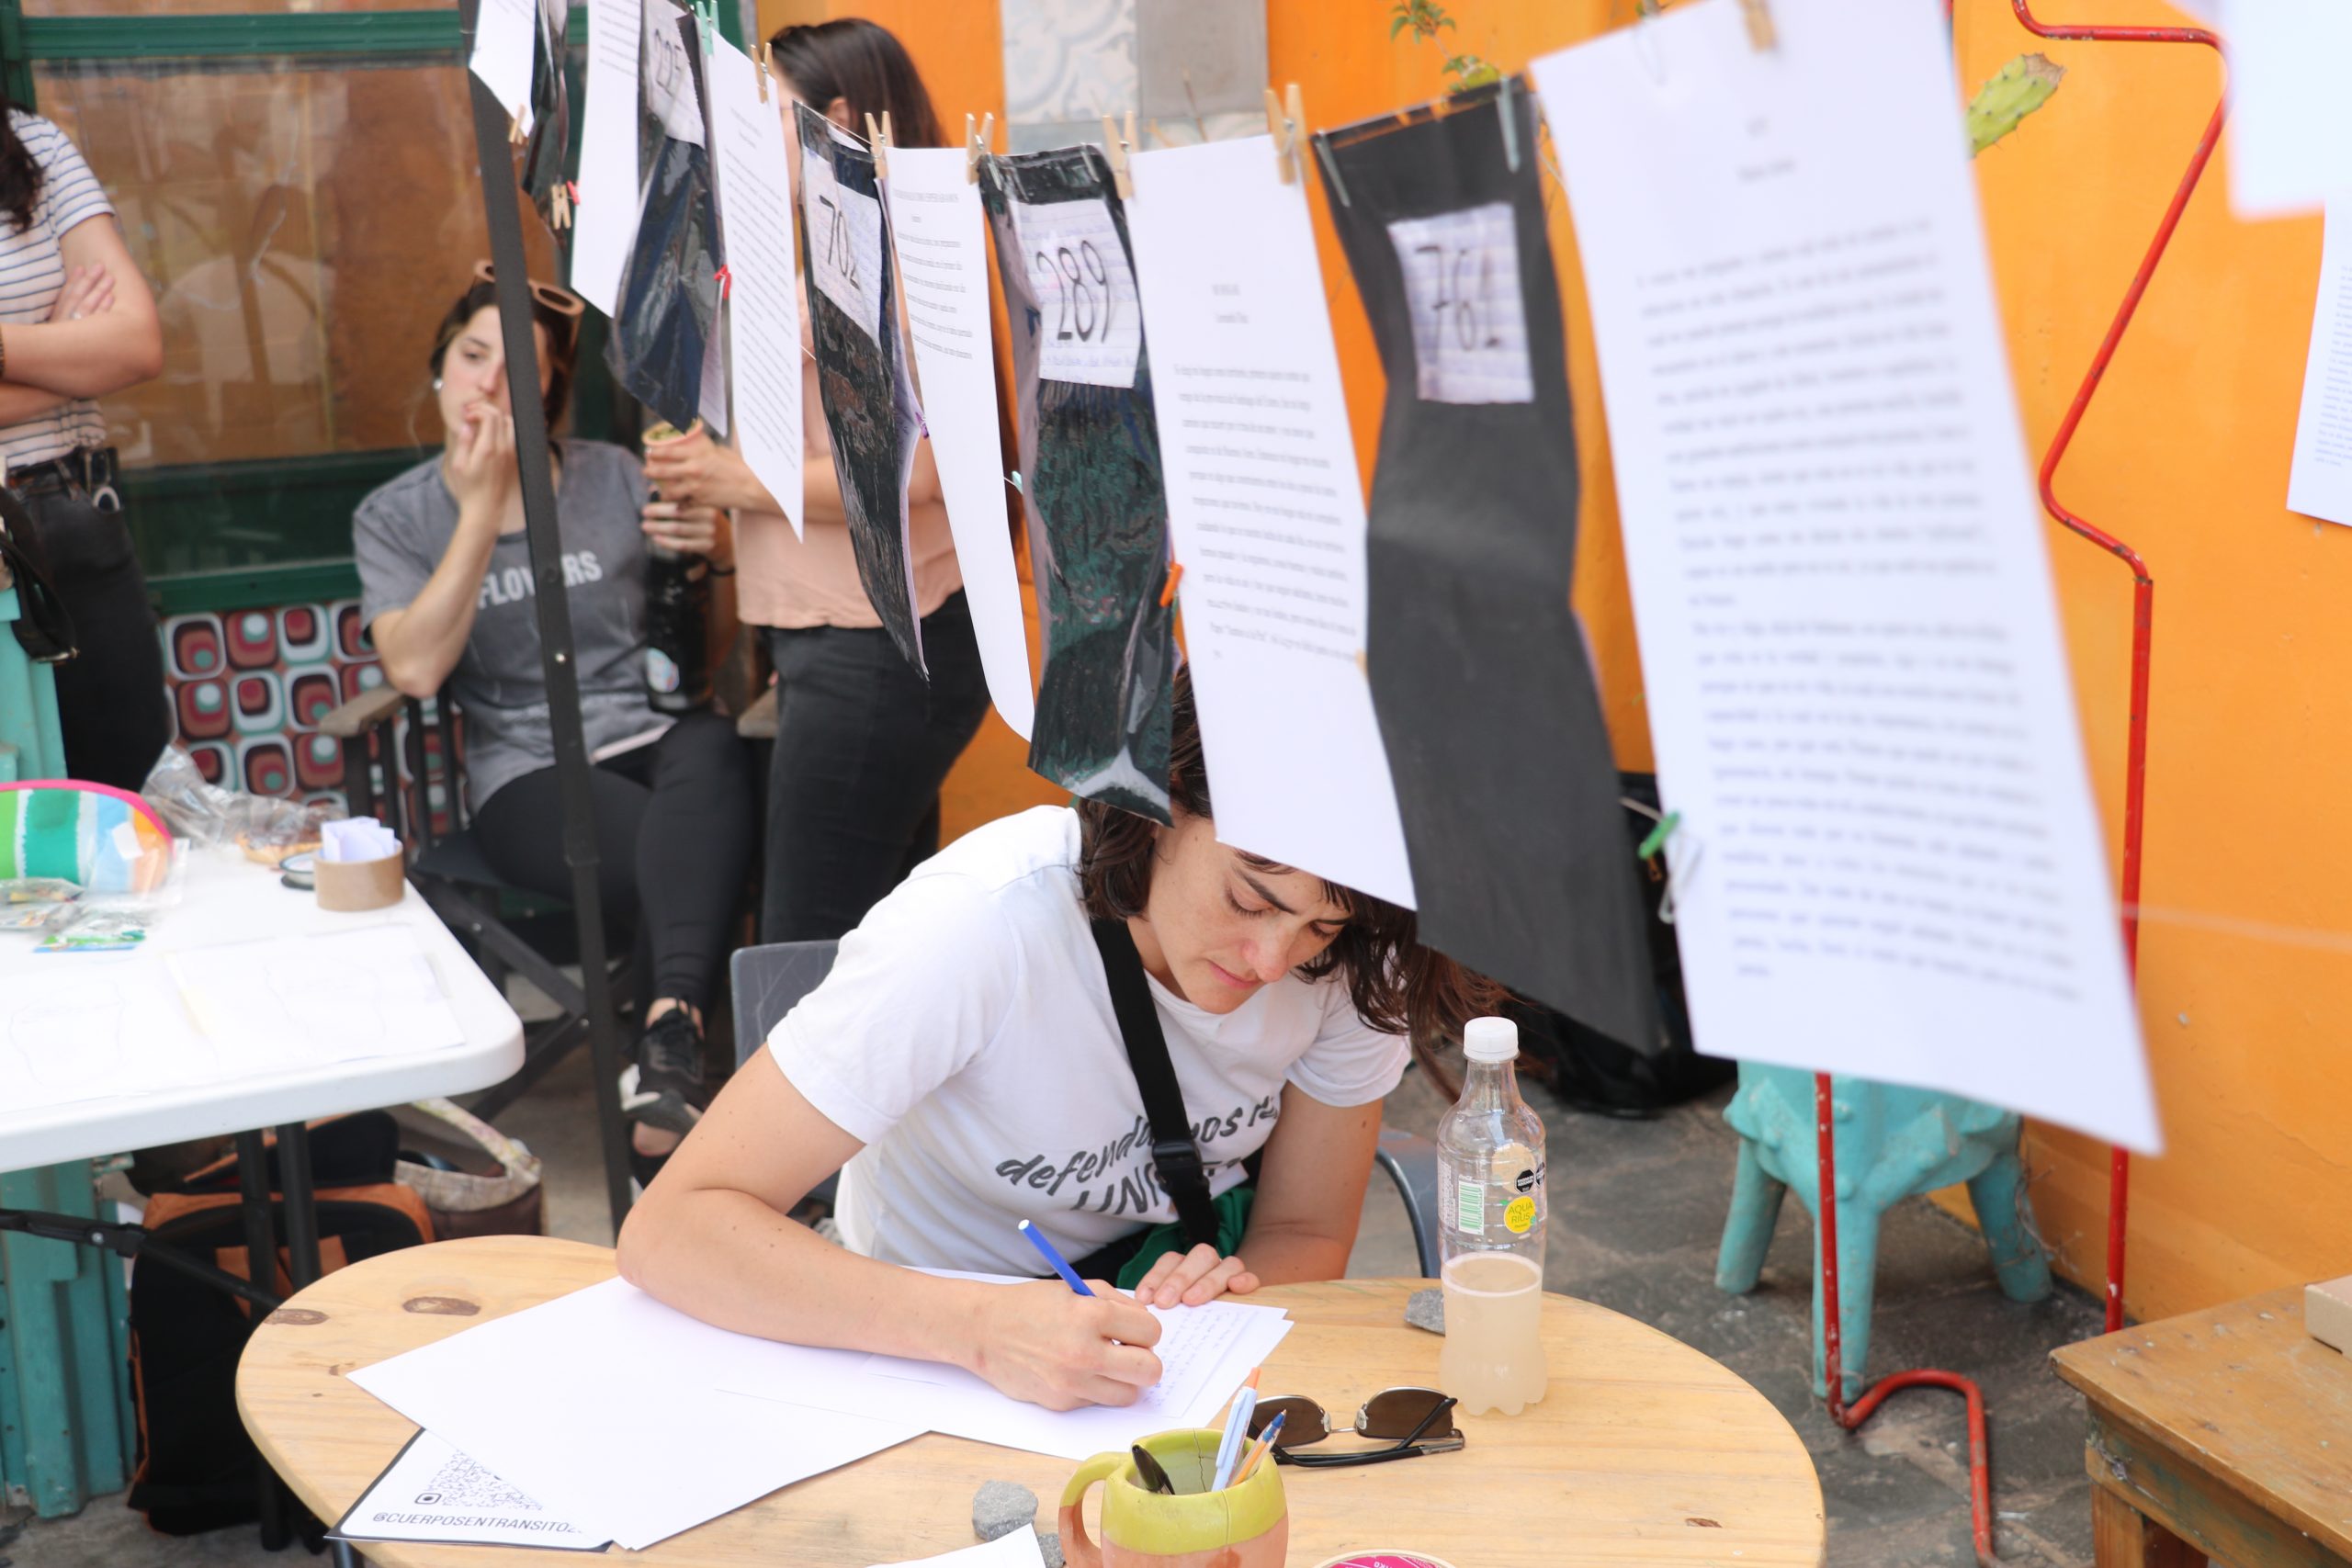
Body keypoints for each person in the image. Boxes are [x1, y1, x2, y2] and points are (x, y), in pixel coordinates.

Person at [617, 671, 1493, 1410]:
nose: (1272, 961)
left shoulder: (1356, 959)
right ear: (1157, 803)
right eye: (1249, 899)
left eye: (1319, 927)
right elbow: (671, 1230)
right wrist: (979, 1329)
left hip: (1161, 1348)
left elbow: (1305, 1228)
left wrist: (1225, 1299)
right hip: (919, 1340)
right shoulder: (979, 926)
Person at [353, 267, 755, 1172]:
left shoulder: (615, 478)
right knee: (689, 848)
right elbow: (414, 669)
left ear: (551, 393)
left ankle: (665, 1057)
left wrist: (718, 561)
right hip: (529, 772)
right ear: (440, 365)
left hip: (658, 733)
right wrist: (480, 510)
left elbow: (706, 650)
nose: (488, 385)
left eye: (519, 370)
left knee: (714, 744)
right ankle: (669, 1072)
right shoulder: (395, 517)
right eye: (472, 356)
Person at [639, 17, 991, 945]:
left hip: (876, 646)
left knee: (807, 944)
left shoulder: (893, 259)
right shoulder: (828, 251)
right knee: (879, 947)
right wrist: (716, 487)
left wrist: (734, 479)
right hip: (843, 641)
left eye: (768, 119)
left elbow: (917, 473)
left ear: (835, 118)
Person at [0, 95, 166, 787]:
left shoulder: (31, 144)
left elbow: (137, 343)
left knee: (131, 792)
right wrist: (63, 352)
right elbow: (106, 352)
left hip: (74, 512)